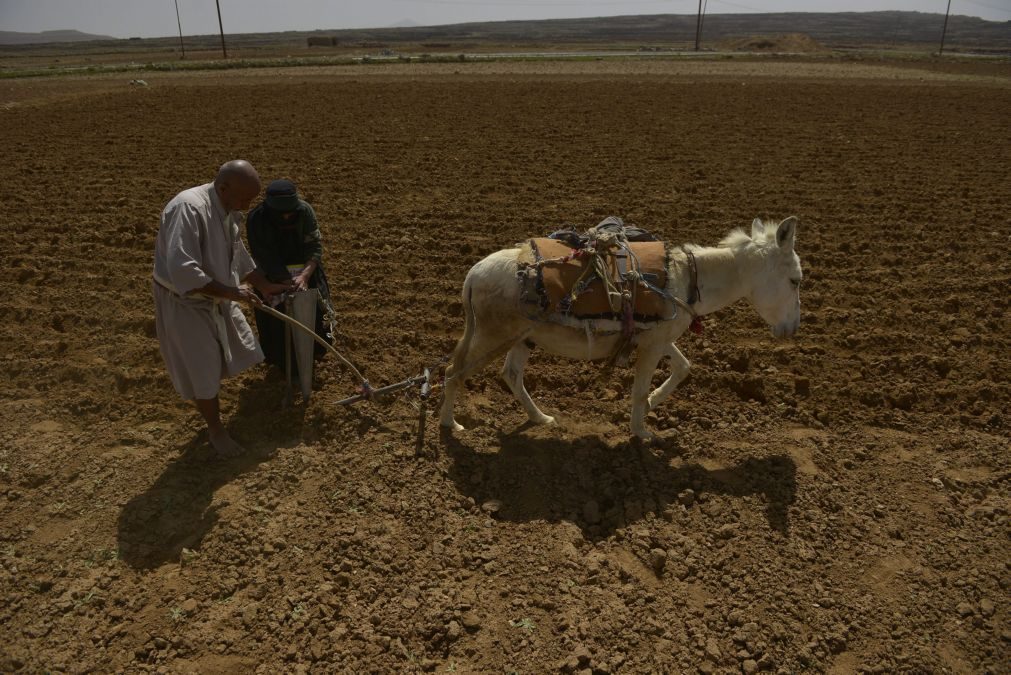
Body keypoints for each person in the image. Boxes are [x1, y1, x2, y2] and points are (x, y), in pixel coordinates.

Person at [152, 160, 291, 458]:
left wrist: (263, 285)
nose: (247, 205)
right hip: (184, 301)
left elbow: (236, 253)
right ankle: (215, 431)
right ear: (223, 187)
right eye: (244, 198)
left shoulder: (230, 210)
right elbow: (184, 271)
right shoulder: (188, 208)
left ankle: (212, 416)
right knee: (201, 366)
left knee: (219, 356)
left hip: (216, 295)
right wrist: (233, 293)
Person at [245, 179, 333, 373]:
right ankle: (280, 363)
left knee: (318, 314)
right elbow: (264, 255)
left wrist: (304, 277)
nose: (286, 216)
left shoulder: (305, 211)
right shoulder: (256, 218)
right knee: (276, 321)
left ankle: (315, 354)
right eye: (280, 214)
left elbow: (314, 247)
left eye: (290, 213)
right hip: (271, 275)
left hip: (305, 272)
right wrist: (285, 281)